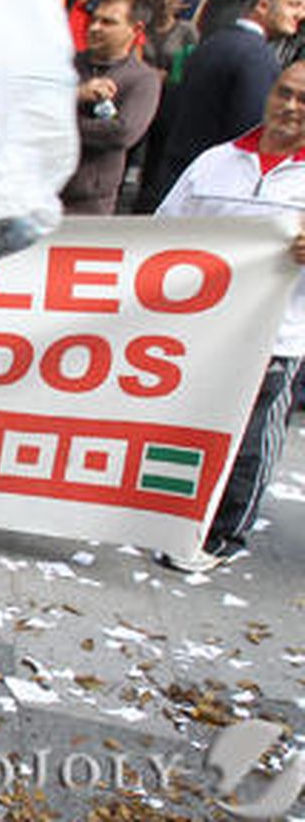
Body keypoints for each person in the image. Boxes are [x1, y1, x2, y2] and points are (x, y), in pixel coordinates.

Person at [155, 62, 305, 571]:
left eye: (303, 100)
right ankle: (173, 516)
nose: (290, 107)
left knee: (251, 437)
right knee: (191, 426)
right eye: (285, 93)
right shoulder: (216, 162)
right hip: (206, 332)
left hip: (277, 334)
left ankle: (225, 534)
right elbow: (165, 232)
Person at [142, 0, 305, 206]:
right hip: (217, 193)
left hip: (178, 177)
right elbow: (252, 130)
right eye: (293, 5)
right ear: (262, 6)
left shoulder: (213, 42)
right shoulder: (256, 57)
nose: (300, 14)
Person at [64, 0, 161, 214]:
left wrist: (59, 121)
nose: (95, 28)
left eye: (108, 22)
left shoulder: (142, 79)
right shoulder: (65, 64)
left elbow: (121, 133)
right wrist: (75, 94)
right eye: (94, 19)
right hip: (41, 190)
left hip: (88, 202)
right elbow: (29, 108)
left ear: (135, 30)